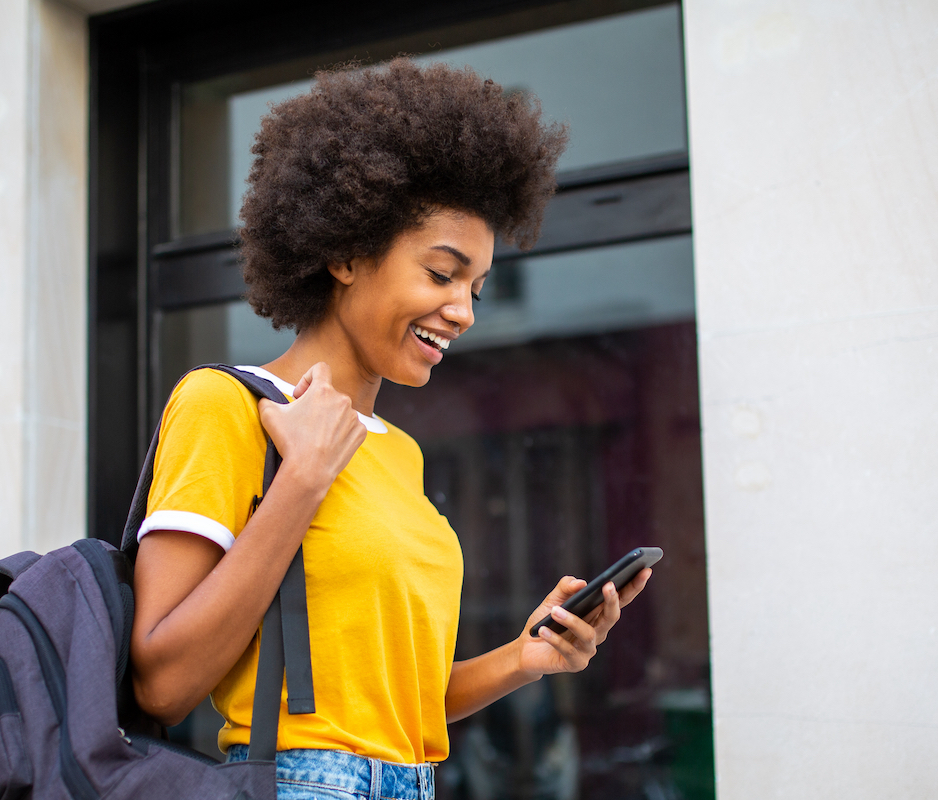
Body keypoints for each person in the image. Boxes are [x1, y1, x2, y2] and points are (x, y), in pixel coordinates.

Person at [128, 58, 652, 800]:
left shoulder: (397, 452)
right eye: (441, 275)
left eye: (475, 288)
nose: (463, 311)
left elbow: (398, 709)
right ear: (345, 251)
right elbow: (161, 682)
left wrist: (526, 658)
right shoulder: (227, 406)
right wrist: (302, 479)